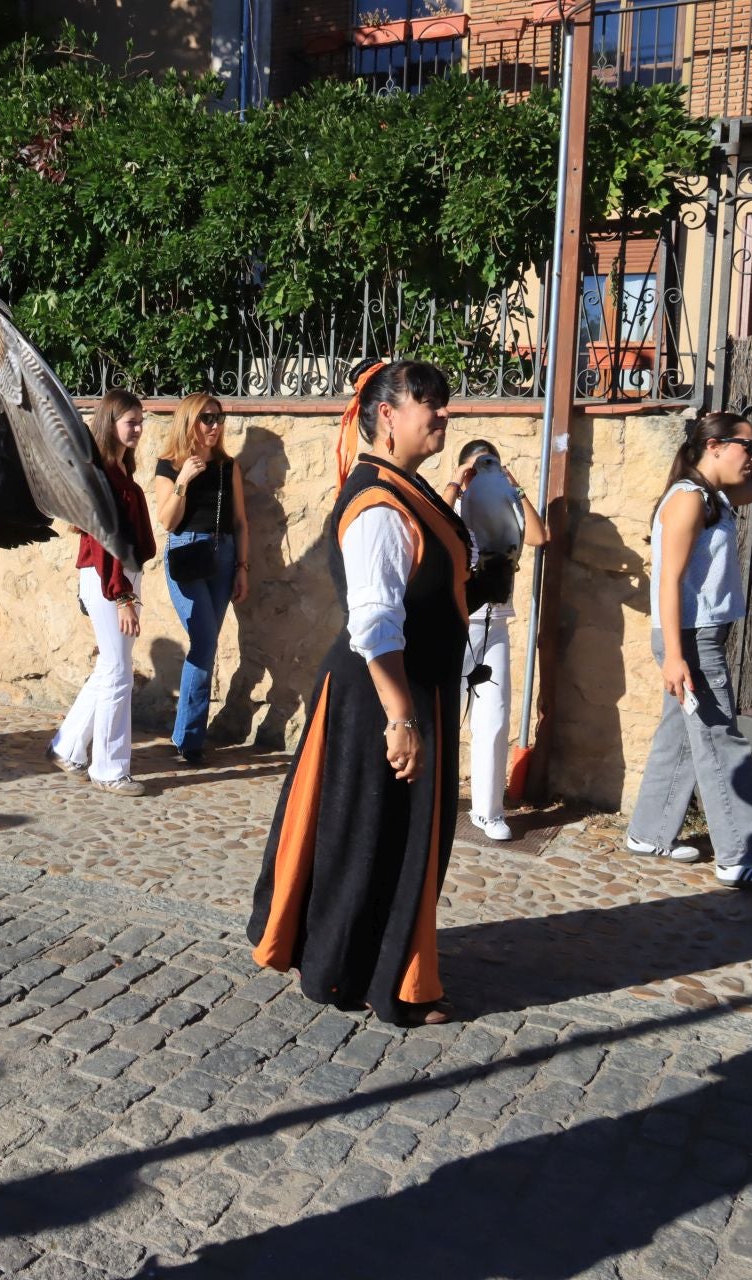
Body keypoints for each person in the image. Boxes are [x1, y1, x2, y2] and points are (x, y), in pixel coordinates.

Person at [247, 359, 480, 1027]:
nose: (441, 414)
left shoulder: (407, 488)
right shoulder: (378, 503)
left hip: (410, 692)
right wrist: (401, 717)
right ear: (387, 416)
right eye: (426, 404)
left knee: (383, 840)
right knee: (378, 841)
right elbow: (374, 623)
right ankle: (385, 981)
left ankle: (354, 966)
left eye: (443, 402)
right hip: (384, 700)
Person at [623, 410, 752, 886]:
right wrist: (676, 656)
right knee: (721, 739)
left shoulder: (712, 495)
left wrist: (749, 448)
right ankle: (741, 856)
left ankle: (648, 832)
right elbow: (668, 583)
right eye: (748, 447)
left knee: (681, 733)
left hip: (698, 634)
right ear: (715, 446)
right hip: (691, 637)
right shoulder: (688, 500)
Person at [48, 390, 156, 797]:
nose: (139, 429)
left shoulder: (118, 472)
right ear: (110, 423)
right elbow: (104, 545)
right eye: (132, 422)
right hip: (110, 579)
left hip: (117, 578)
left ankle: (68, 746)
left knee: (112, 667)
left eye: (141, 421)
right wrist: (123, 596)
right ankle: (109, 769)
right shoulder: (102, 478)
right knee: (117, 673)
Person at [443, 440, 546, 842]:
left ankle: (487, 811)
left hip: (496, 620)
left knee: (495, 717)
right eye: (477, 466)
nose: (483, 472)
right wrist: (457, 482)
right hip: (457, 621)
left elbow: (538, 536)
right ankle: (432, 797)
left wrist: (514, 488)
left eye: (491, 465)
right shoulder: (451, 503)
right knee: (445, 712)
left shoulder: (505, 499)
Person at [152, 393, 248, 764]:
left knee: (206, 643)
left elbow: (240, 522)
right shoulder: (169, 464)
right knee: (205, 642)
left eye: (218, 418)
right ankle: (189, 739)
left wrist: (242, 567)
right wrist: (184, 480)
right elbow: (167, 521)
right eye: (206, 418)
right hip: (186, 552)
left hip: (222, 557)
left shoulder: (228, 466)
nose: (214, 425)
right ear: (189, 421)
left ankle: (188, 736)